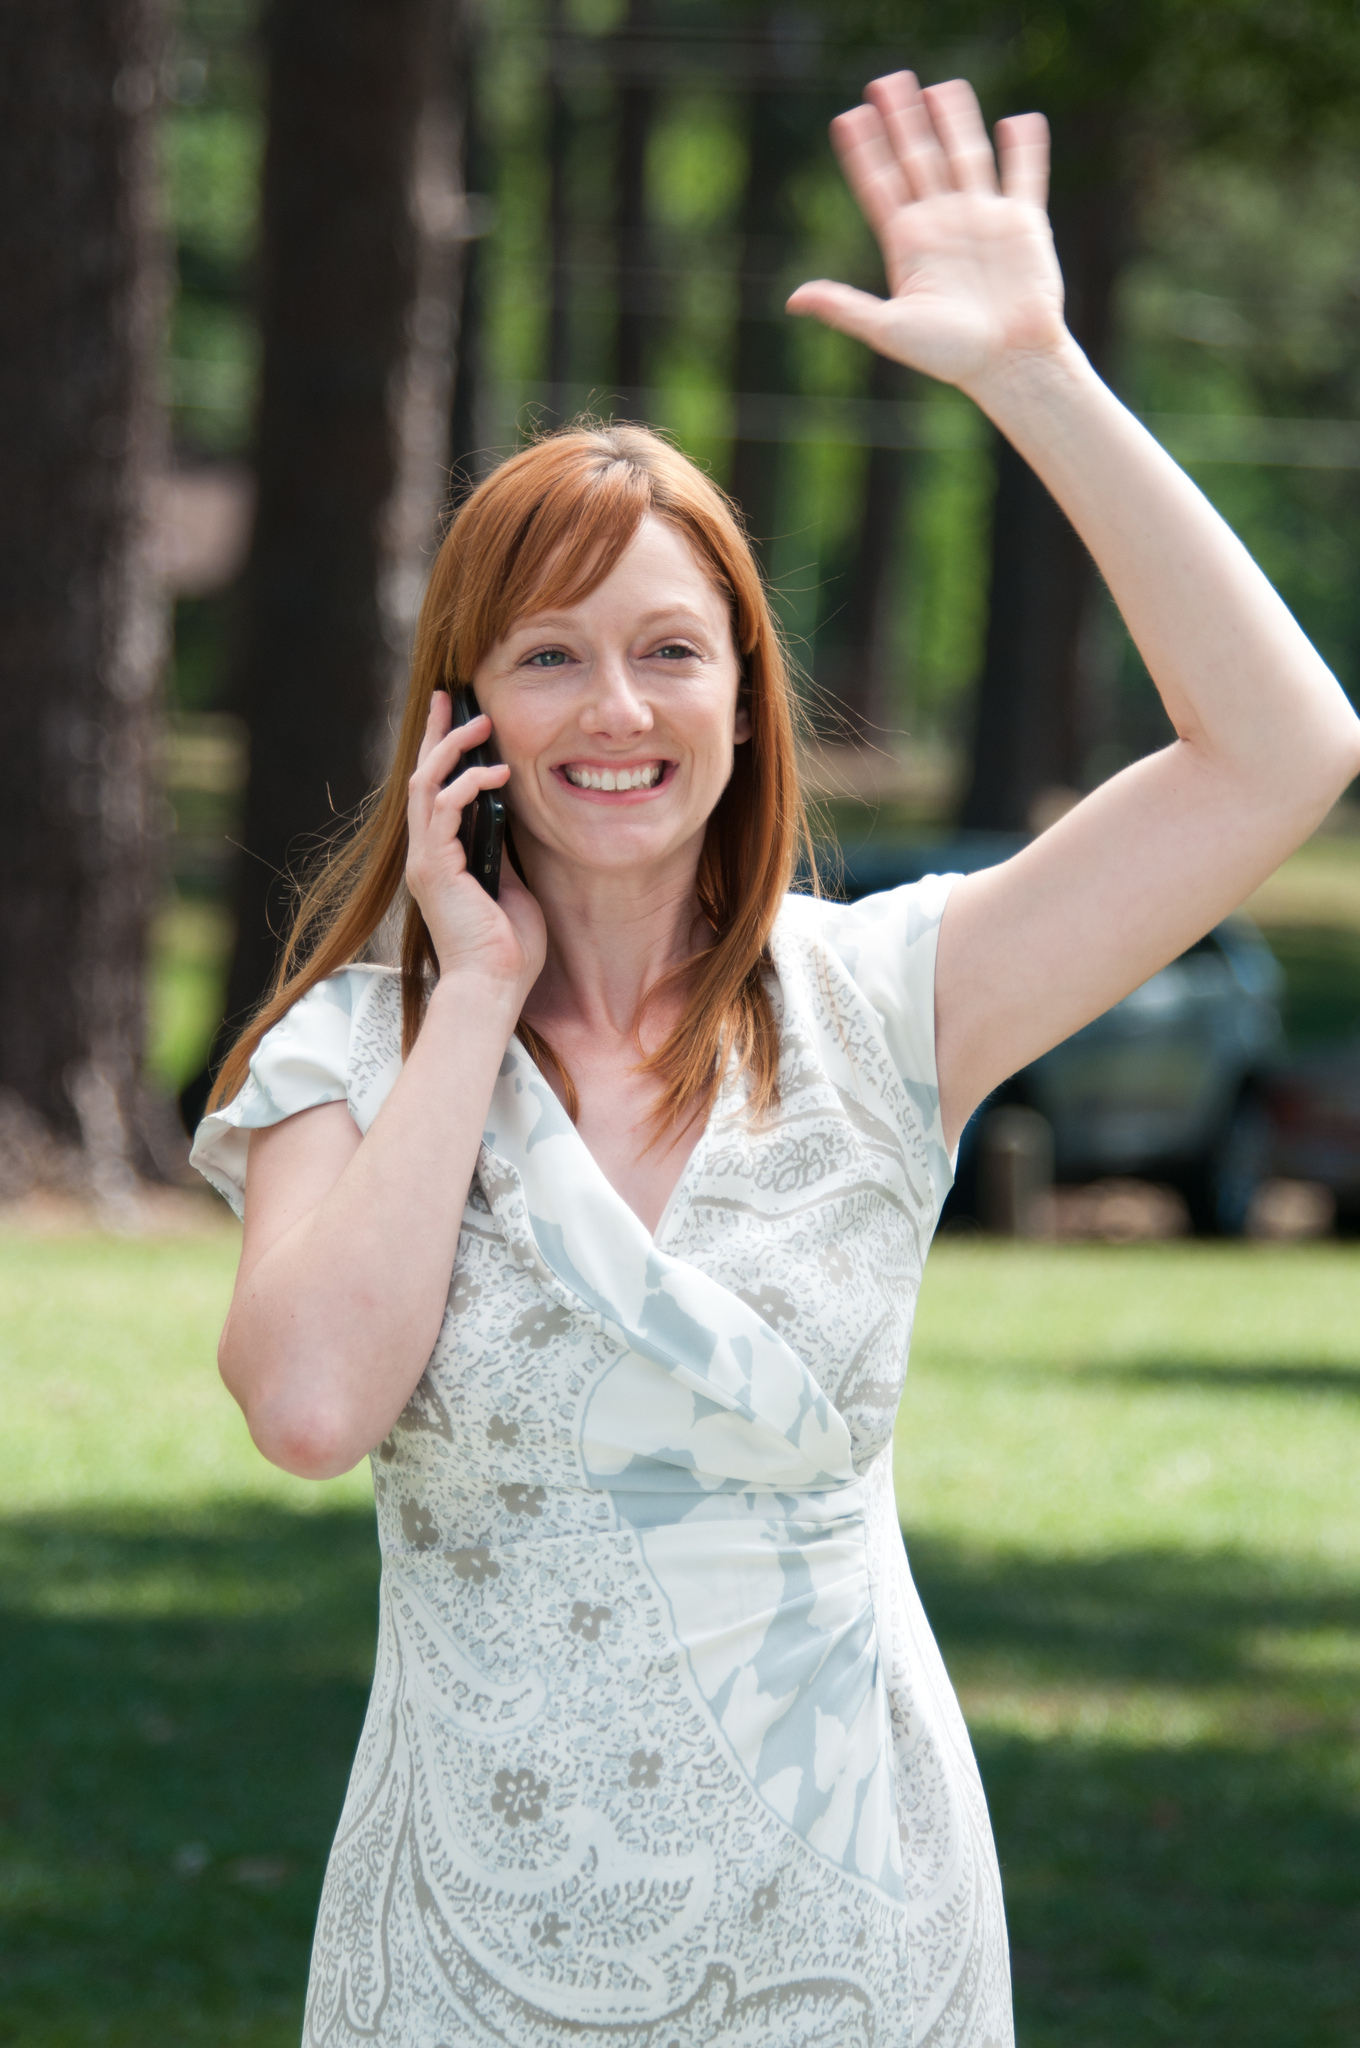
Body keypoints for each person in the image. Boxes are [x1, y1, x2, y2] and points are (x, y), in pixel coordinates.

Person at [192, 71, 1360, 2048]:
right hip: (466, 1947)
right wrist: (466, 997)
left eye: (669, 648)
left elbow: (1278, 752)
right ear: (463, 711)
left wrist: (1035, 375)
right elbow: (308, 1405)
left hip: (851, 1931)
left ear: (743, 694)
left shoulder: (888, 993)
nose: (613, 708)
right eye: (549, 656)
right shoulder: (352, 1047)